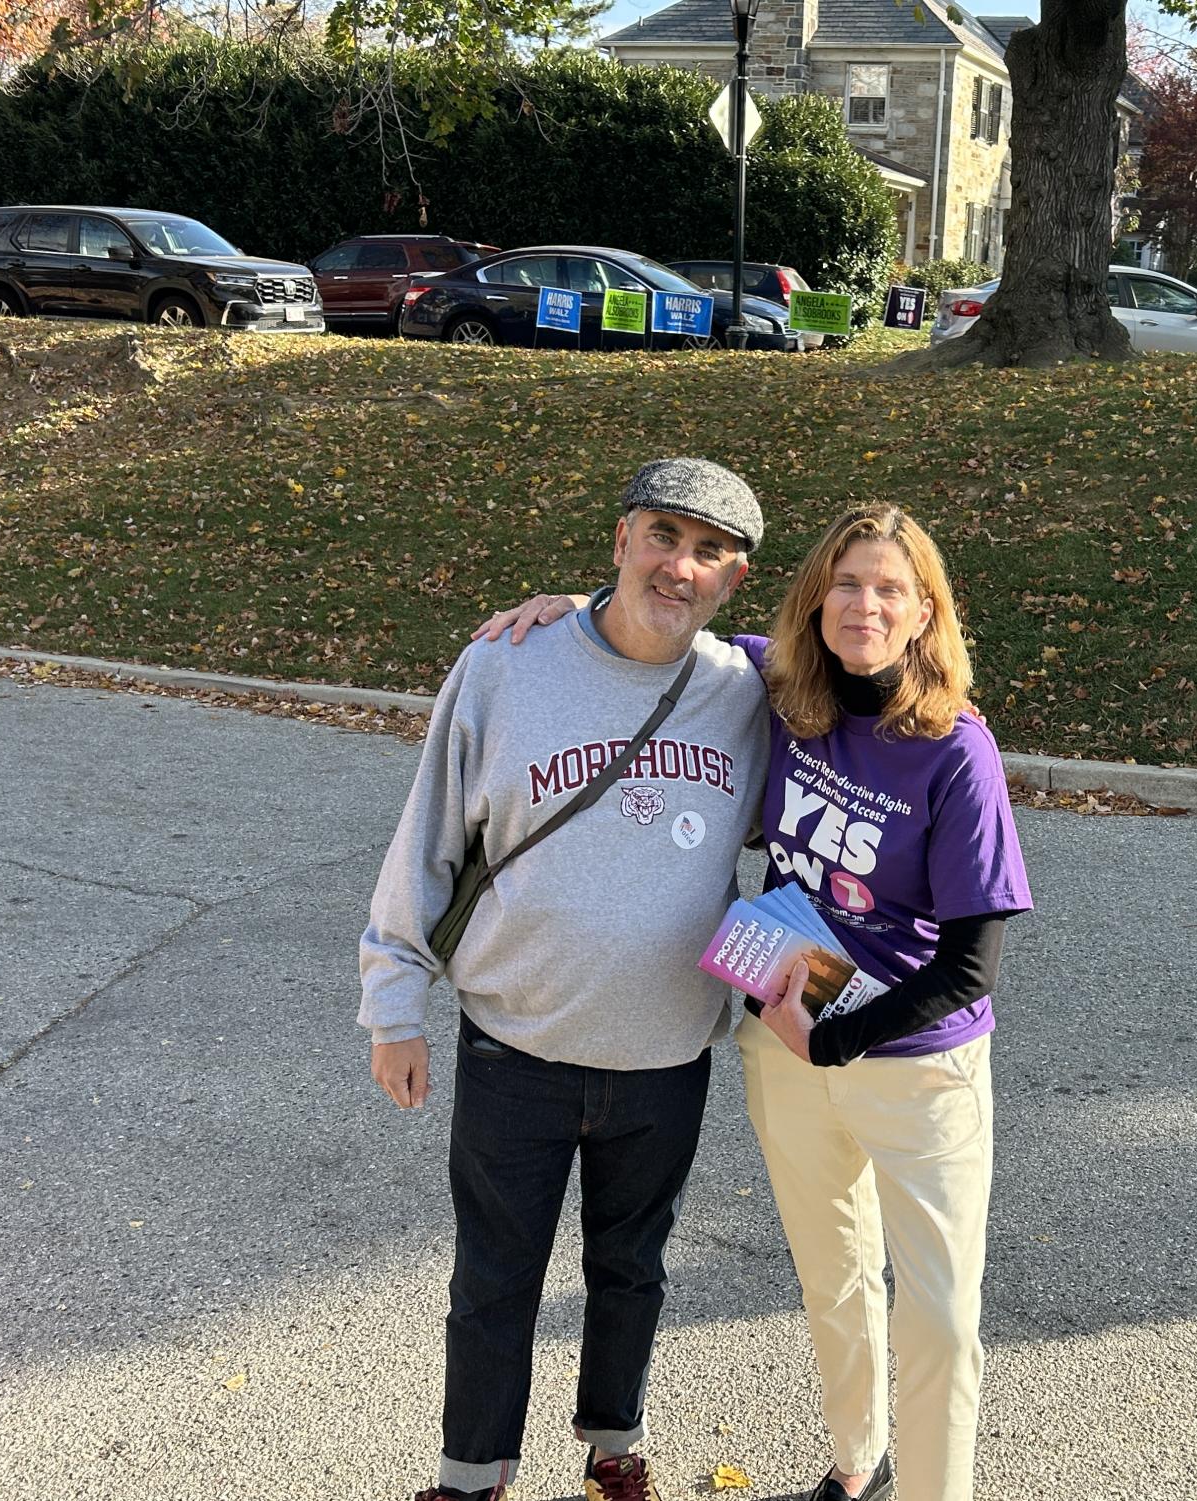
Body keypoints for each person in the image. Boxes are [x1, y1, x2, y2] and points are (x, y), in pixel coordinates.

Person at [481, 504, 1032, 1501]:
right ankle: (859, 1464)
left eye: (891, 589)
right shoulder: (779, 689)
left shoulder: (956, 751)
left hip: (916, 1063)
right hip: (785, 1038)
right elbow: (656, 624)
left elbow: (970, 964)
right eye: (848, 583)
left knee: (942, 1316)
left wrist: (839, 1040)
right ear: (816, 598)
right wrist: (571, 605)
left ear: (924, 613)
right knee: (836, 1278)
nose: (865, 604)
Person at [360, 458, 772, 1501]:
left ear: (735, 579)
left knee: (633, 1271)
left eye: (710, 551)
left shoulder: (747, 693)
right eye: (664, 535)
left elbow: (866, 702)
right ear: (622, 539)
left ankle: (612, 1450)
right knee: (494, 1279)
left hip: (665, 1055)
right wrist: (392, 1005)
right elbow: (428, 840)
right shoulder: (507, 661)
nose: (681, 565)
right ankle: (470, 1477)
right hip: (515, 1046)